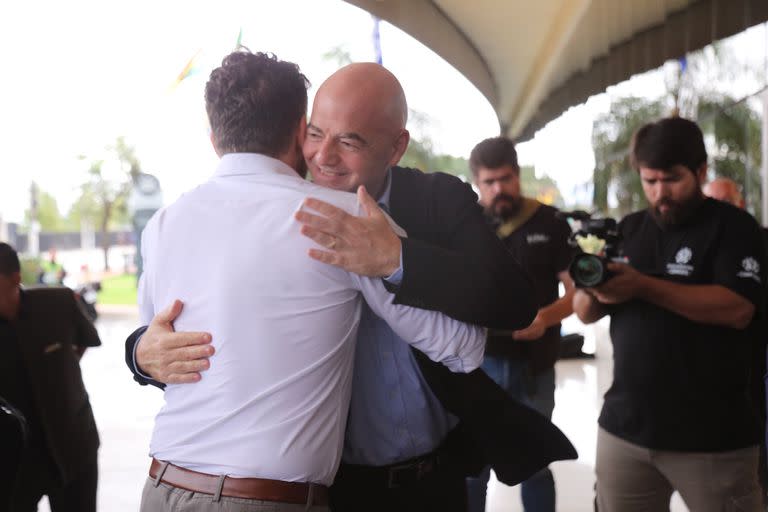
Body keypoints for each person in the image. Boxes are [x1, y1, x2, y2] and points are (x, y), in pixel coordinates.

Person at [126, 60, 576, 512]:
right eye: (317, 134)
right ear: (299, 128)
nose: (324, 156)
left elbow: (513, 302)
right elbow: (194, 318)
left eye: (350, 141)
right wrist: (140, 352)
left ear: (397, 146)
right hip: (334, 489)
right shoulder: (289, 209)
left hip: (433, 474)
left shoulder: (437, 200)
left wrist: (398, 259)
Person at [574, 117, 766, 511]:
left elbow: (738, 308)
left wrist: (642, 285)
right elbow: (584, 313)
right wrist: (594, 286)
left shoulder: (734, 228)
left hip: (714, 438)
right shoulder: (627, 229)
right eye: (650, 181)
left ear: (700, 171)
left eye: (672, 179)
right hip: (625, 430)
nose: (660, 193)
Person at [465, 137, 576, 512]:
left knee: (536, 465)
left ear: (517, 174)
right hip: (474, 365)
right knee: (471, 466)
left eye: (506, 178)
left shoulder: (550, 221)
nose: (499, 189)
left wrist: (545, 318)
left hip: (534, 367)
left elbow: (578, 292)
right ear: (477, 183)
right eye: (489, 182)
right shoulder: (464, 224)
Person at [0, 242, 101, 512]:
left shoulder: (58, 303)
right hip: (14, 459)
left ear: (15, 279)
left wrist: (58, 366)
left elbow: (86, 340)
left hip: (73, 445)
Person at [703, 175, 768, 507]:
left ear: (742, 205)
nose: (721, 210)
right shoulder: (700, 249)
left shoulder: (759, 239)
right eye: (713, 201)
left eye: (727, 201)